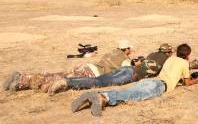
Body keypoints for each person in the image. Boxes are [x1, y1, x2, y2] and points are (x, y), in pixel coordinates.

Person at [71, 43, 198, 117]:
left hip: (150, 81)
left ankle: (94, 97)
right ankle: (102, 97)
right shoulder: (183, 64)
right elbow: (188, 83)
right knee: (131, 95)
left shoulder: (170, 58)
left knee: (128, 91)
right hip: (159, 86)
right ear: (188, 55)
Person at [48, 43, 198, 95]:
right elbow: (179, 67)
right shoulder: (169, 59)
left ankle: (65, 81)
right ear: (168, 52)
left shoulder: (153, 54)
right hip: (130, 76)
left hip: (128, 70)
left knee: (99, 80)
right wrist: (196, 69)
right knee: (98, 82)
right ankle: (67, 82)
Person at [2, 40, 134, 93]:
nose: (130, 51)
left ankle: (22, 78)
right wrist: (133, 63)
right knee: (55, 79)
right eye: (129, 49)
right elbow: (127, 71)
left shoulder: (112, 52)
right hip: (91, 74)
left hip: (85, 66)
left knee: (55, 75)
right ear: (126, 49)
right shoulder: (125, 59)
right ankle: (20, 83)